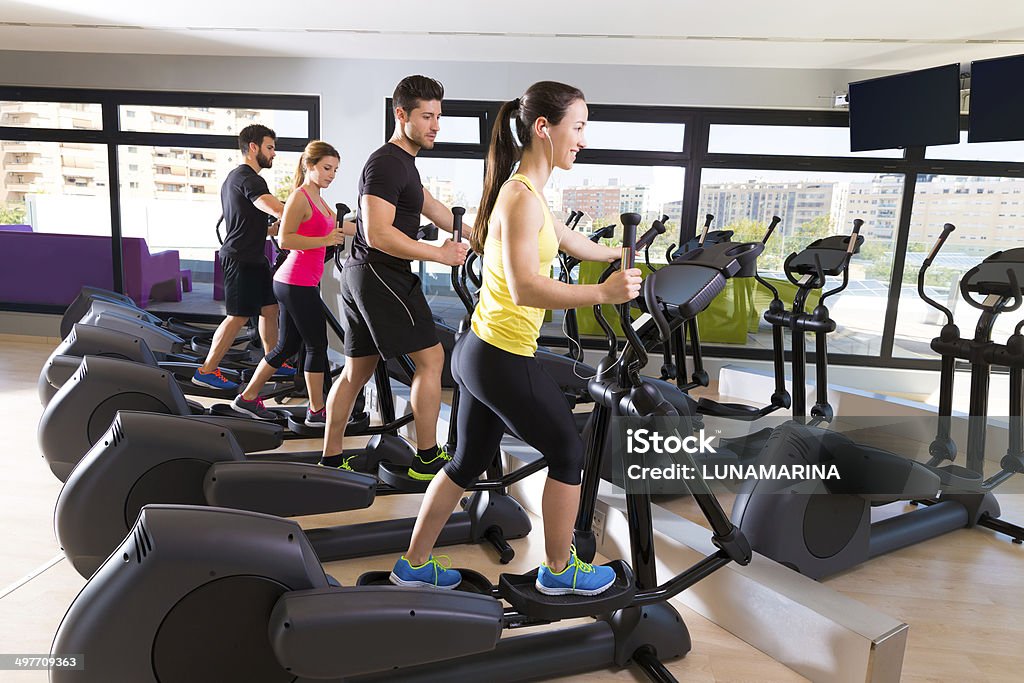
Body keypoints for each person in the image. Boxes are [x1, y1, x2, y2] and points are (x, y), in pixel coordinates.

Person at [389, 81, 642, 595]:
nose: (584, 139)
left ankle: (412, 565)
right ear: (544, 128)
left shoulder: (526, 190)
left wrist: (616, 256)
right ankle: (559, 571)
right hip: (501, 354)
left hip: (478, 351)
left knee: (463, 463)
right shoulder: (521, 198)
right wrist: (603, 293)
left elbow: (570, 240)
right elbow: (527, 287)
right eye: (579, 127)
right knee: (568, 452)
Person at [319, 75, 471, 478]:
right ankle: (426, 458)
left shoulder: (404, 165)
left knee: (357, 371)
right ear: (401, 114)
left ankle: (331, 458)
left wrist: (487, 238)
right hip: (380, 272)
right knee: (432, 357)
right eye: (426, 116)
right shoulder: (387, 162)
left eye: (438, 116)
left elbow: (436, 210)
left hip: (364, 274)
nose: (435, 124)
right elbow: (379, 233)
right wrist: (439, 253)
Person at [230, 140, 354, 423]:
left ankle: (247, 398)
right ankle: (316, 411)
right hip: (295, 281)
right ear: (308, 166)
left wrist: (376, 229)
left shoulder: (319, 199)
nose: (331, 175)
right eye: (326, 168)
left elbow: (341, 226)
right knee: (316, 345)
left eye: (335, 170)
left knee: (286, 346)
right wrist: (324, 240)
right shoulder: (301, 196)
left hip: (297, 281)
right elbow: (285, 239)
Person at [192, 124, 293, 391]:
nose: (274, 154)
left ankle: (274, 360)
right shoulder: (249, 178)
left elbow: (253, 222)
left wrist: (275, 228)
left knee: (270, 310)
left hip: (253, 256)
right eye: (270, 148)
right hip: (239, 258)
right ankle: (207, 370)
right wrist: (305, 217)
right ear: (253, 147)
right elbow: (273, 207)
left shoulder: (235, 178)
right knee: (236, 317)